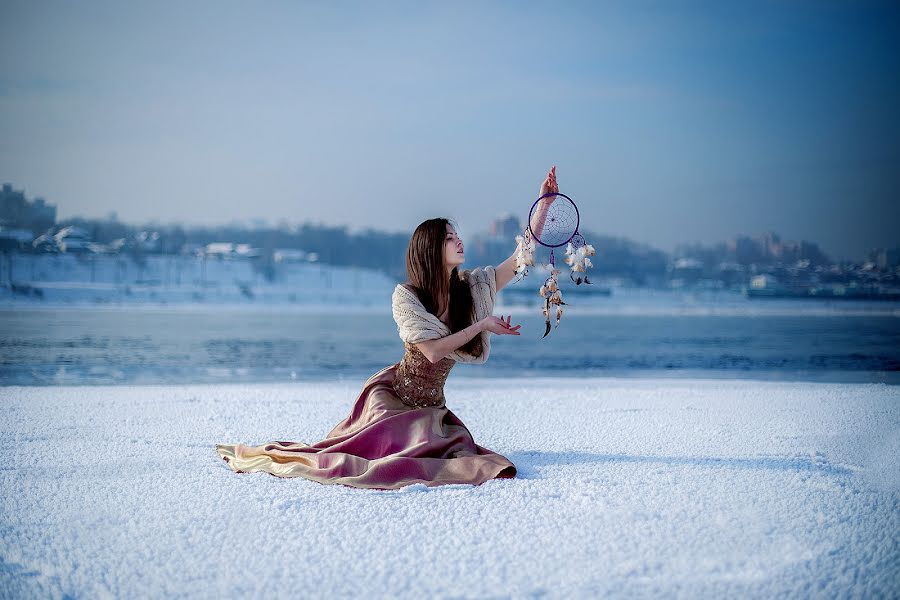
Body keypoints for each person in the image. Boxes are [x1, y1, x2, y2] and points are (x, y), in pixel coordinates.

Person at [215, 167, 559, 490]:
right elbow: (433, 350)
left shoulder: (469, 290)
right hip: (393, 398)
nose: (459, 242)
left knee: (452, 451)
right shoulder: (406, 296)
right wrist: (482, 325)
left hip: (432, 407)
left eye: (457, 236)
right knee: (351, 461)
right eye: (449, 238)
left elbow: (519, 260)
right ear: (430, 249)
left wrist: (543, 206)